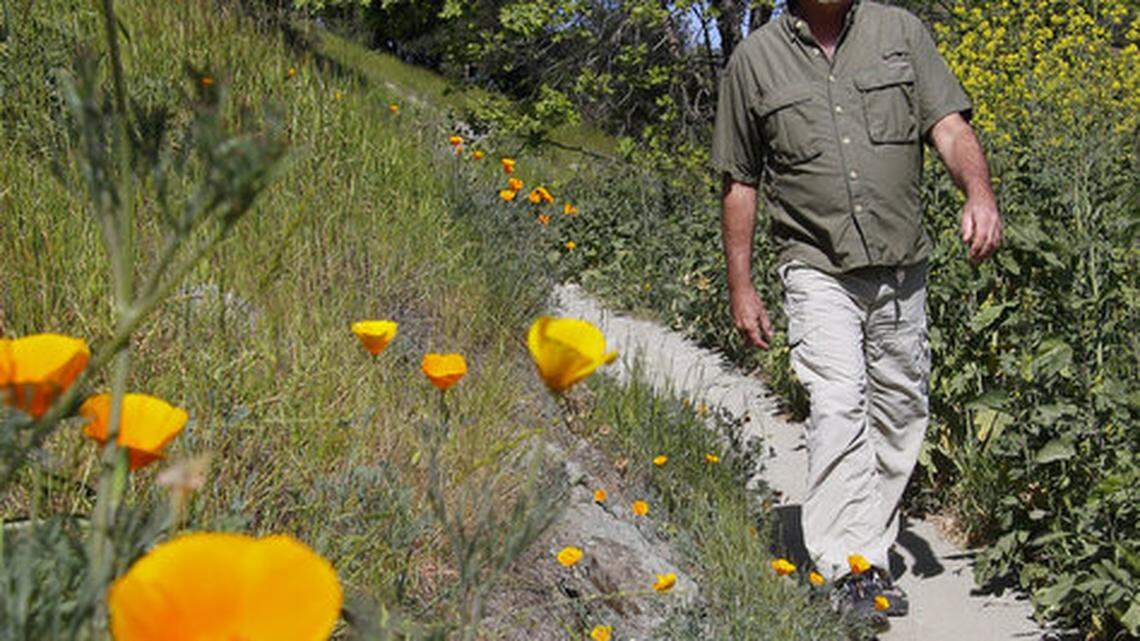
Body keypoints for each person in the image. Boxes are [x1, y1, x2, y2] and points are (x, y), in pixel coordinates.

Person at [711, 0, 1001, 629]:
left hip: (901, 265)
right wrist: (741, 285)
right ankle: (850, 567)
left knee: (900, 411)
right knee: (839, 402)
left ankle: (867, 545)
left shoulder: (899, 33)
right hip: (815, 264)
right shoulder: (755, 61)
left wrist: (978, 193)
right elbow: (740, 181)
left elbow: (949, 128)